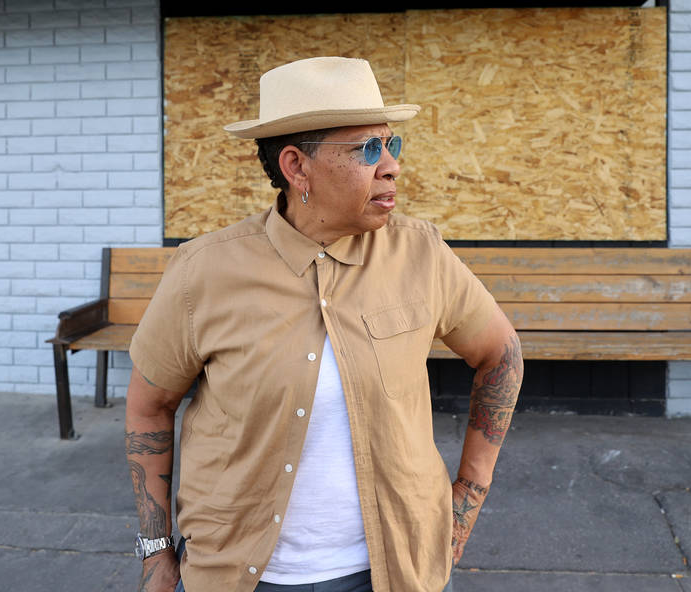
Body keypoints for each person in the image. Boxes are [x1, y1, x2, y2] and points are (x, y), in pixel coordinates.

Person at [124, 56, 523, 592]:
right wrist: (155, 552)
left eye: (392, 145)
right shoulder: (204, 272)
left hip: (399, 570)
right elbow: (150, 405)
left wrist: (467, 498)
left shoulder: (419, 253)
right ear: (296, 166)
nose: (392, 166)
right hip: (242, 574)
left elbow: (502, 353)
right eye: (367, 149)